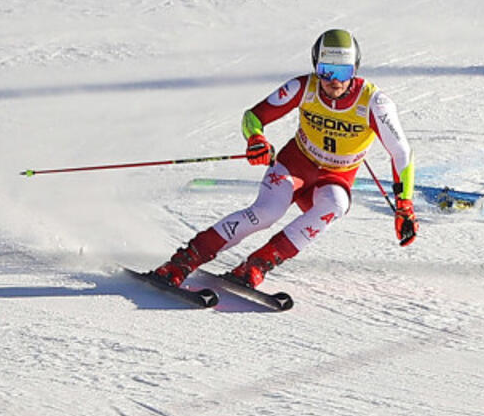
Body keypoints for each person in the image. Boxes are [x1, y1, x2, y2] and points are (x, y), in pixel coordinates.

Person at [154, 29, 418, 288]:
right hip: (296, 164)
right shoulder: (304, 87)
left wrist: (404, 205)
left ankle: (257, 265)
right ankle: (183, 262)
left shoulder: (374, 102)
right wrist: (256, 138)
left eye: (343, 72)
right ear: (316, 67)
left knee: (336, 204)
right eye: (326, 70)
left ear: (355, 70)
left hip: (336, 176)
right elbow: (253, 117)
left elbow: (401, 152)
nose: (334, 81)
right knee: (266, 213)